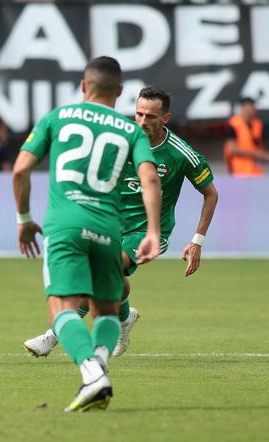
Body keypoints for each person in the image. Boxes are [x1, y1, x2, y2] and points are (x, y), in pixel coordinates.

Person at [24, 86, 219, 359]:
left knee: (98, 274)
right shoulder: (119, 138)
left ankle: (52, 337)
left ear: (166, 118)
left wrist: (197, 241)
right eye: (138, 113)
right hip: (110, 223)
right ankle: (125, 318)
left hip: (148, 230)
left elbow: (210, 193)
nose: (142, 121)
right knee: (114, 279)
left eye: (150, 116)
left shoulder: (180, 153)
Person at [12, 56, 161, 412]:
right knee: (106, 311)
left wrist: (24, 218)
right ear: (120, 92)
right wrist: (153, 230)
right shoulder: (130, 130)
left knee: (61, 308)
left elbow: (20, 170)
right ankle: (99, 365)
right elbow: (150, 179)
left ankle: (93, 375)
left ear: (83, 86)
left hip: (65, 224)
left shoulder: (57, 117)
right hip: (109, 228)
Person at [224, 97, 269, 177]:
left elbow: (261, 147)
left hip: (256, 173)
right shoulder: (233, 124)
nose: (253, 109)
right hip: (239, 172)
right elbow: (232, 149)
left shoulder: (258, 124)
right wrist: (257, 154)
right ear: (242, 107)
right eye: (250, 106)